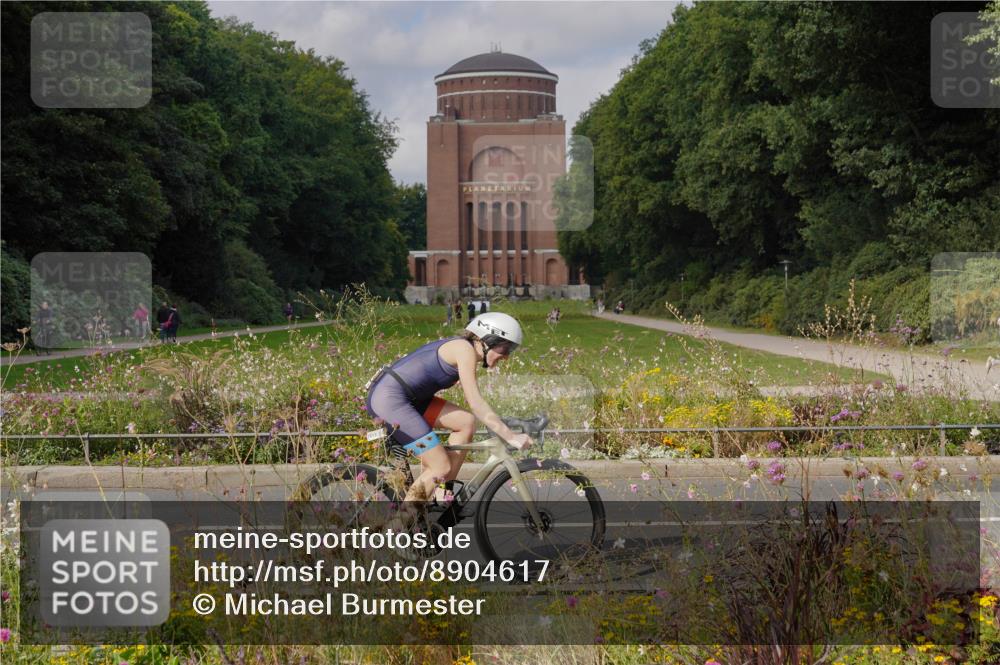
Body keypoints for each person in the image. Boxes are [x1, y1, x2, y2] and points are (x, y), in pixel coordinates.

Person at [365, 312, 532, 511]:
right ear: (488, 339)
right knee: (439, 466)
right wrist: (510, 435)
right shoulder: (464, 350)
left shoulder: (464, 349)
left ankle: (441, 491)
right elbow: (476, 402)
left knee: (465, 422)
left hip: (410, 399)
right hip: (390, 400)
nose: (506, 357)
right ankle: (397, 531)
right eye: (505, 348)